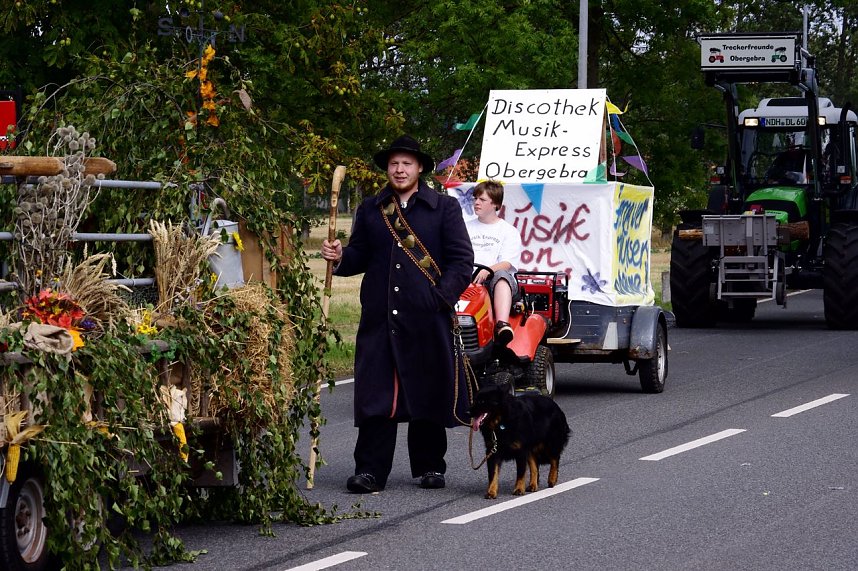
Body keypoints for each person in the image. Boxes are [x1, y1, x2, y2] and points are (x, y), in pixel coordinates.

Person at [320, 135, 474, 493]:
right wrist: (340, 257)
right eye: (394, 164)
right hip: (380, 319)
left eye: (406, 163)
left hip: (427, 318)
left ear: (419, 168)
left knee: (427, 390)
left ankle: (430, 465)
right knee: (377, 395)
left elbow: (461, 261)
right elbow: (359, 255)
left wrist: (438, 299)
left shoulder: (444, 209)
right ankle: (370, 471)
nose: (399, 169)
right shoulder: (372, 208)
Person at [466, 179, 523, 346]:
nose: (476, 202)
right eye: (475, 198)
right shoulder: (464, 227)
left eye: (482, 199)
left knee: (502, 275)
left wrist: (487, 270)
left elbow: (507, 263)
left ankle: (502, 325)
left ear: (495, 204)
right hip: (467, 278)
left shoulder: (509, 231)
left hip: (493, 281)